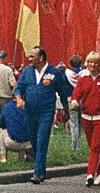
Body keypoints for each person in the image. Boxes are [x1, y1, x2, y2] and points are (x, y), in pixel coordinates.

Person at [14, 46, 73, 183]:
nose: (29, 59)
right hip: (30, 112)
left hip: (46, 112)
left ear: (40, 58)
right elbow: (19, 88)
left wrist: (66, 110)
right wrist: (19, 99)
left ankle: (37, 173)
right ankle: (42, 169)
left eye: (32, 56)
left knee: (42, 139)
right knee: (34, 141)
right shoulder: (27, 72)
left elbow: (62, 92)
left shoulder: (54, 72)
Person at [70, 51, 100, 186]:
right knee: (92, 146)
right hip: (86, 116)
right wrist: (75, 101)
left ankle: (90, 174)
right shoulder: (83, 79)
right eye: (90, 62)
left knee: (96, 146)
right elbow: (77, 93)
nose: (93, 65)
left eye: (96, 62)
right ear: (87, 64)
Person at [0, 95, 33, 163]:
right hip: (29, 144)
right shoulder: (29, 107)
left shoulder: (6, 107)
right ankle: (29, 156)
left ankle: (3, 157)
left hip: (12, 143)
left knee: (2, 130)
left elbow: (1, 124)